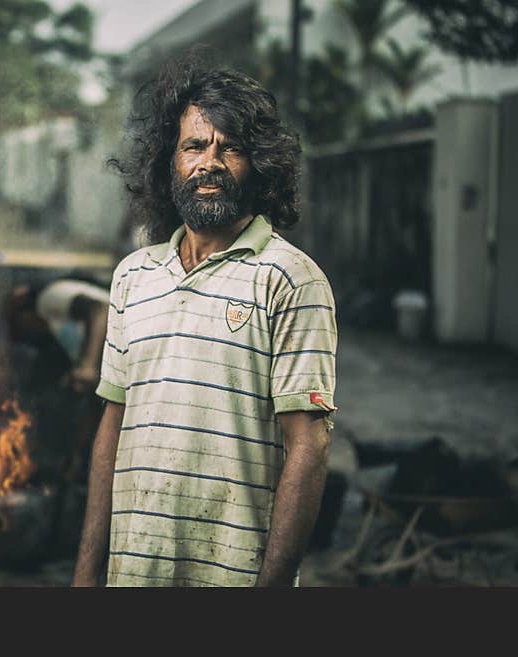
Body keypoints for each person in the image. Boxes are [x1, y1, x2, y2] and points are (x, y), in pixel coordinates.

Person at [72, 55, 338, 587]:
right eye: (194, 146)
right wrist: (86, 574)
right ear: (169, 162)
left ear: (258, 164)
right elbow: (113, 427)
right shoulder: (133, 276)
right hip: (134, 573)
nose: (208, 163)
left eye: (230, 148)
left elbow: (307, 448)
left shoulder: (291, 279)